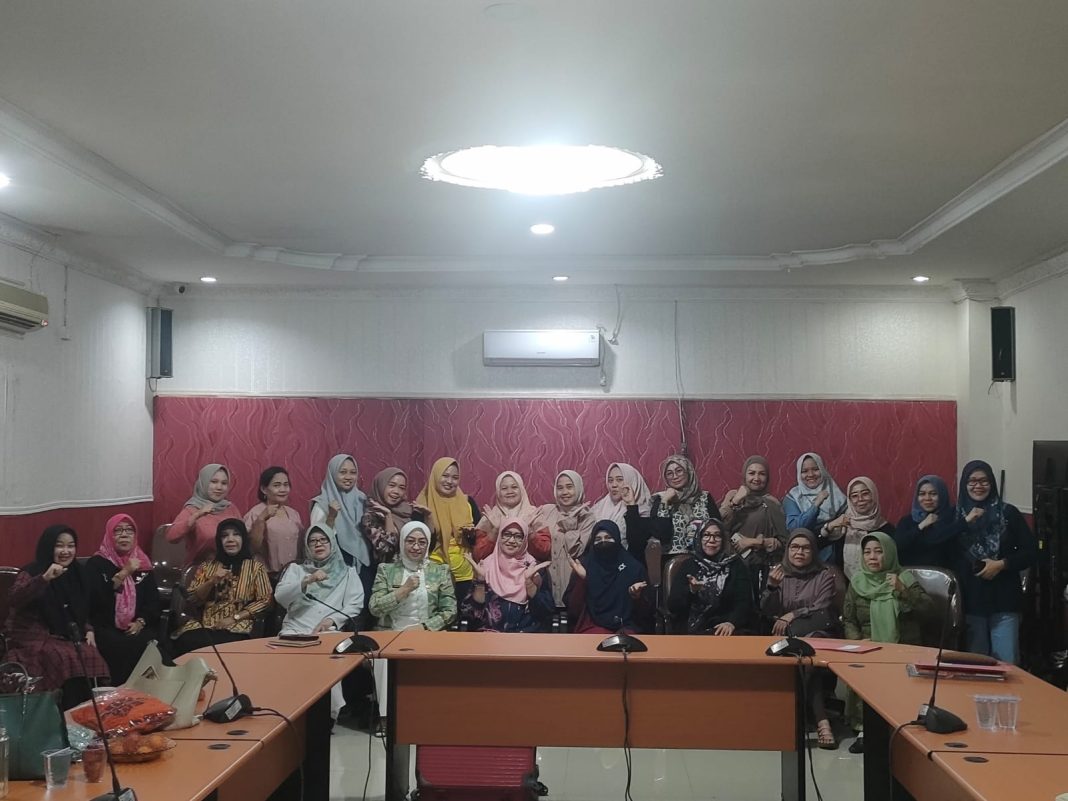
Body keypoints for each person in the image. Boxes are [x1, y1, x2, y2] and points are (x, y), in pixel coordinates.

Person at [842, 532, 932, 753]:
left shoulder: (905, 579)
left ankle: (901, 727)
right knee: (862, 673)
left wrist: (903, 591)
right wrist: (858, 642)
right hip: (868, 647)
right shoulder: (857, 583)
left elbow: (928, 611)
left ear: (889, 553)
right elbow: (849, 619)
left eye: (878, 551)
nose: (872, 557)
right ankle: (864, 729)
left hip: (902, 646)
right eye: (867, 552)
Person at [3, 525, 110, 709]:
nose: (65, 551)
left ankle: (86, 711)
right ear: (48, 546)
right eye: (59, 545)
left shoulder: (78, 573)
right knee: (62, 657)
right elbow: (15, 598)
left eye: (71, 546)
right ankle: (60, 711)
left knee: (90, 654)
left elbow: (82, 609)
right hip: (35, 635)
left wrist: (88, 629)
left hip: (68, 633)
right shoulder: (32, 571)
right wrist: (44, 578)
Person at [275, 524, 364, 721]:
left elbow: (355, 604)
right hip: (295, 627)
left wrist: (332, 619)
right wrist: (306, 581)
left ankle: (328, 716)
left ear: (332, 543)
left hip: (327, 630)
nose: (318, 544)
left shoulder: (347, 572)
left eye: (324, 540)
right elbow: (280, 597)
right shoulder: (296, 570)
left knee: (328, 652)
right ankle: (294, 713)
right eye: (313, 541)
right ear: (307, 547)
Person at [760, 528, 840, 749]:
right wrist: (771, 587)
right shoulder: (778, 574)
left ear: (813, 551)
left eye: (805, 548)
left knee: (806, 659)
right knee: (802, 660)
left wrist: (793, 614)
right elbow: (766, 611)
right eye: (794, 547)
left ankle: (793, 719)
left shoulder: (824, 575)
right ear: (787, 550)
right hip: (784, 635)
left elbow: (821, 607)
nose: (799, 552)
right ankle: (821, 721)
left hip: (817, 633)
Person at [955, 460, 1036, 664]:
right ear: (964, 484)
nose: (978, 485)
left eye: (984, 481)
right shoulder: (955, 517)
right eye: (972, 481)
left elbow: (1031, 553)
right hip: (970, 601)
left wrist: (1001, 564)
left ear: (992, 483)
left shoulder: (1009, 513)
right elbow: (940, 545)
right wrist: (964, 523)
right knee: (976, 665)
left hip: (1004, 599)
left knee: (1007, 664)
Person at [171, 519, 272, 656]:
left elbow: (265, 601)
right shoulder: (207, 567)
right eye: (224, 536)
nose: (230, 539)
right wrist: (211, 581)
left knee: (225, 646)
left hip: (237, 626)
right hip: (204, 624)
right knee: (186, 642)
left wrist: (234, 618)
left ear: (243, 539)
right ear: (219, 541)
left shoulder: (256, 568)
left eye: (236, 534)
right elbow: (193, 599)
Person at [87, 514, 161, 684]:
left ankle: (155, 689)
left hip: (137, 625)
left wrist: (140, 622)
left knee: (151, 644)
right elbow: (96, 600)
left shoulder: (143, 563)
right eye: (118, 531)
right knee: (120, 646)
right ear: (109, 535)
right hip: (105, 626)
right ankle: (121, 691)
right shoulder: (96, 564)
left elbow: (153, 602)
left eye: (129, 530)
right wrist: (125, 572)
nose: (124, 535)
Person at [460, 518, 554, 633]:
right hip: (489, 637)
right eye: (507, 534)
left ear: (525, 540)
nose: (511, 540)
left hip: (526, 637)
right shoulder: (485, 566)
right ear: (499, 536)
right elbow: (470, 616)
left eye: (518, 536)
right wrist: (480, 582)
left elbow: (546, 613)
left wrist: (530, 584)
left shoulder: (535, 569)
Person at [667, 519, 754, 636]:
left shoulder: (735, 565)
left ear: (723, 540)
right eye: (706, 535)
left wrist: (732, 622)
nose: (711, 540)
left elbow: (744, 602)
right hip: (691, 630)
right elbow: (673, 606)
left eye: (717, 536)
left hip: (725, 629)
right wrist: (691, 591)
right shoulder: (689, 565)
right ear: (699, 538)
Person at [719, 455, 788, 595]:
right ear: (744, 475)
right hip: (733, 565)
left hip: (763, 567)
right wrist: (736, 501)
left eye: (762, 474)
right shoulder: (733, 496)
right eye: (751, 473)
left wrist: (755, 542)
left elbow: (783, 542)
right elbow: (719, 526)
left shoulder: (772, 503)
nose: (756, 478)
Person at [309, 454, 374, 603]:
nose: (348, 477)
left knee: (363, 605)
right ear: (332, 474)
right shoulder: (322, 504)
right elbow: (317, 540)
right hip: (336, 566)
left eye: (353, 472)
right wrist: (331, 516)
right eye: (342, 472)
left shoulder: (363, 500)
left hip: (364, 564)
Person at [369, 521, 457, 631]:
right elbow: (375, 609)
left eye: (422, 542)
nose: (416, 547)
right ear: (402, 542)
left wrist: (424, 627)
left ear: (428, 544)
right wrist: (403, 590)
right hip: (391, 632)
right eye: (410, 541)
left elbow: (450, 611)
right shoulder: (386, 570)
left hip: (427, 633)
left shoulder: (440, 571)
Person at [415, 457, 481, 604]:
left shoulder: (467, 503)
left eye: (455, 477)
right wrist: (429, 518)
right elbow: (419, 545)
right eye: (445, 476)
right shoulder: (422, 504)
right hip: (433, 573)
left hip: (465, 573)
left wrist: (471, 534)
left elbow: (478, 541)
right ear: (435, 475)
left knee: (465, 614)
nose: (450, 481)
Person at [564, 520, 648, 634]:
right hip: (593, 623)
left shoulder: (633, 568)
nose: (603, 541)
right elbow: (574, 610)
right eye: (598, 539)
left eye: (608, 537)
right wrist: (583, 580)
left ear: (617, 539)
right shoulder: (585, 565)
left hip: (627, 624)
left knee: (628, 639)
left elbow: (646, 612)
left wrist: (637, 596)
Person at [628, 454, 719, 559]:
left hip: (706, 557)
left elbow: (718, 528)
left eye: (679, 471)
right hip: (673, 559)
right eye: (669, 473)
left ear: (689, 472)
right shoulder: (660, 499)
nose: (675, 476)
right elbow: (661, 535)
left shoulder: (705, 497)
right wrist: (665, 502)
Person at [533, 470, 595, 607]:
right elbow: (538, 544)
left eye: (569, 487)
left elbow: (576, 552)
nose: (564, 492)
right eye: (560, 488)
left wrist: (571, 527)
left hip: (572, 578)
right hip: (547, 578)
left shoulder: (587, 516)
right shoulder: (547, 511)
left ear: (578, 488)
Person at [167, 463, 242, 565]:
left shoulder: (230, 507)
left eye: (224, 483)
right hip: (202, 568)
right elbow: (171, 537)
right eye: (214, 482)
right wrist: (197, 515)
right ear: (203, 483)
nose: (219, 487)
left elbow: (243, 537)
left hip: (232, 565)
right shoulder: (192, 509)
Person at [782, 453, 848, 562]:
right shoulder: (793, 497)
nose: (811, 474)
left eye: (815, 469)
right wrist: (816, 505)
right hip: (803, 554)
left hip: (836, 553)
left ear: (822, 469)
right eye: (804, 471)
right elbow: (795, 529)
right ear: (799, 473)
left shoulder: (835, 493)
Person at [474, 471, 551, 562]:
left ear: (521, 489)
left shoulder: (533, 514)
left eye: (514, 487)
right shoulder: (491, 516)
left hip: (529, 568)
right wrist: (495, 531)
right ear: (498, 492)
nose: (509, 491)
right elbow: (478, 555)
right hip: (495, 569)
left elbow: (544, 553)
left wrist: (529, 531)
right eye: (504, 488)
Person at [829, 476, 895, 579]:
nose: (860, 499)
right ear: (849, 500)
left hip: (878, 584)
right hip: (845, 585)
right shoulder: (842, 526)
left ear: (874, 495)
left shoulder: (887, 529)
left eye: (865, 494)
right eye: (854, 496)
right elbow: (818, 544)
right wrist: (829, 526)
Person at [361, 467, 430, 566]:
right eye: (392, 485)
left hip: (414, 569)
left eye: (401, 488)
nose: (396, 491)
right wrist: (388, 517)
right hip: (387, 572)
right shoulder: (371, 517)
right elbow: (386, 552)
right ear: (381, 485)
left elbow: (428, 544)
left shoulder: (408, 511)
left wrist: (428, 516)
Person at [893, 475, 963, 569]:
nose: (927, 498)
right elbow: (897, 545)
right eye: (922, 494)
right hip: (910, 576)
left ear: (942, 495)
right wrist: (921, 526)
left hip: (944, 575)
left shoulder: (952, 520)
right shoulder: (907, 521)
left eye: (933, 494)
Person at [244, 466, 304, 573]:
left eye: (286, 485)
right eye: (277, 485)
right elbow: (251, 549)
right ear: (264, 489)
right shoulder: (255, 513)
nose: (283, 489)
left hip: (294, 574)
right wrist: (261, 519)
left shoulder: (294, 513)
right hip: (266, 576)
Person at [589, 462, 652, 553]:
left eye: (619, 480)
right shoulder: (599, 508)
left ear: (632, 481)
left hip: (628, 559)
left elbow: (637, 543)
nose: (614, 485)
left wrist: (631, 505)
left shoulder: (643, 510)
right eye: (610, 480)